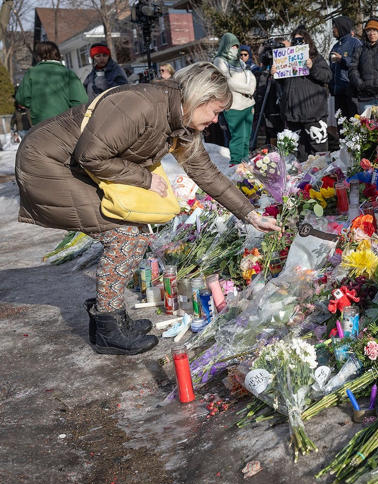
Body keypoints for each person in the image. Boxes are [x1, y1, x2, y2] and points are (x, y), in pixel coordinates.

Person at [15, 62, 279, 356]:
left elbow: (206, 173)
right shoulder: (141, 105)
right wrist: (144, 179)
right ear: (198, 98)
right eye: (215, 111)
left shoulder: (180, 124)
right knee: (123, 236)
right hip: (47, 163)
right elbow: (91, 155)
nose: (217, 120)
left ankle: (111, 318)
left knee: (138, 234)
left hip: (74, 163)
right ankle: (108, 329)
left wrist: (250, 214)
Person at [276, 28, 332, 161]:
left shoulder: (316, 58)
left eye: (300, 40)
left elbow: (328, 76)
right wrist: (276, 73)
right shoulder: (288, 59)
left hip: (313, 114)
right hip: (293, 115)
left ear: (307, 41)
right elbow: (283, 83)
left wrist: (312, 67)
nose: (297, 43)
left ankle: (323, 179)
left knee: (319, 153)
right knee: (299, 153)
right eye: (295, 40)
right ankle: (301, 180)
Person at [15, 41, 88, 126]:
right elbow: (81, 100)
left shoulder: (31, 73)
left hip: (40, 125)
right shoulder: (68, 73)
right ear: (57, 54)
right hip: (65, 123)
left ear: (38, 56)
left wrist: (34, 105)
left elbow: (21, 98)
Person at [213, 32, 256, 165]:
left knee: (246, 136)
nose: (235, 49)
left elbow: (251, 76)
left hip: (248, 104)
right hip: (234, 105)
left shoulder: (240, 63)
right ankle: (237, 162)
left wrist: (251, 88)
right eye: (233, 46)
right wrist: (247, 89)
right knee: (237, 136)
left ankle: (245, 160)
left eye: (237, 46)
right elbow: (227, 81)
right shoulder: (220, 61)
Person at [329, 16, 362, 119]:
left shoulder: (355, 43)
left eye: (334, 27)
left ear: (341, 27)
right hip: (338, 92)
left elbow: (360, 64)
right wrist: (332, 87)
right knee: (341, 124)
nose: (333, 30)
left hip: (351, 91)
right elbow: (332, 70)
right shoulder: (335, 46)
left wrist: (343, 60)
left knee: (354, 123)